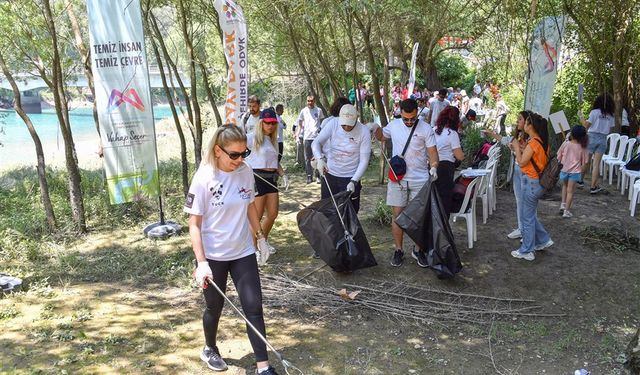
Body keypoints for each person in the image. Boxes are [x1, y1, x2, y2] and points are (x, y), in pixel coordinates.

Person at [185, 124, 279, 375]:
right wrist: (201, 262)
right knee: (214, 307)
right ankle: (209, 347)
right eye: (234, 155)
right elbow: (194, 224)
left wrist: (260, 236)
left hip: (242, 252)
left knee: (253, 306)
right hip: (213, 256)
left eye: (244, 154)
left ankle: (263, 366)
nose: (239, 160)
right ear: (218, 150)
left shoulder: (246, 171)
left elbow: (250, 206)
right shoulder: (204, 177)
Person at [372, 98, 439, 268]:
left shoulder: (425, 128)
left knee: (419, 217)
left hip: (420, 178)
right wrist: (373, 127)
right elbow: (381, 137)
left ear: (417, 113)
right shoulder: (394, 125)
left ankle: (418, 250)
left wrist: (434, 167)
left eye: (413, 118)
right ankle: (398, 250)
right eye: (406, 119)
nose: (409, 122)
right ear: (400, 113)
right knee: (398, 215)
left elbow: (432, 152)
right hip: (398, 177)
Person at [510, 113, 554, 261]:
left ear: (531, 126)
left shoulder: (534, 142)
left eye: (526, 122)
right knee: (529, 216)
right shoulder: (541, 141)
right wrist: (522, 147)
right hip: (536, 183)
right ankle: (542, 240)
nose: (524, 125)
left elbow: (521, 162)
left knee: (527, 217)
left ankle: (527, 250)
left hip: (531, 183)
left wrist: (516, 147)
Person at [312, 104, 371, 213]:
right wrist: (319, 159)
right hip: (330, 174)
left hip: (351, 177)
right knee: (328, 211)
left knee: (350, 212)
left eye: (350, 125)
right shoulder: (333, 124)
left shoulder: (364, 131)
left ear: (356, 119)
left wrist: (354, 181)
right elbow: (316, 143)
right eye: (343, 125)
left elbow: (364, 160)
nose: (347, 128)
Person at [246, 108, 289, 254]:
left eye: (273, 123)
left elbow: (275, 162)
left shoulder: (272, 140)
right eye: (267, 122)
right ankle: (252, 249)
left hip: (271, 179)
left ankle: (262, 242)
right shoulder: (252, 138)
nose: (270, 126)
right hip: (257, 178)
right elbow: (235, 148)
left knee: (272, 214)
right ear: (261, 122)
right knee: (256, 217)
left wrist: (283, 175)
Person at [484, 110, 531, 240]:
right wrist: (491, 133)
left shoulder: (532, 138)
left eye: (520, 119)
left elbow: (530, 153)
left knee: (528, 203)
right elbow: (505, 140)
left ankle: (528, 232)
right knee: (519, 200)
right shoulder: (518, 135)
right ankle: (521, 228)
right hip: (517, 169)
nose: (517, 121)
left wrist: (517, 148)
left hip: (527, 172)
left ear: (528, 121)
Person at [579, 93, 615, 193]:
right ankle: (593, 187)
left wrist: (581, 117)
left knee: (586, 161)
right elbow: (610, 129)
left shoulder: (594, 112)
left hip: (591, 137)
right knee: (596, 164)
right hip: (603, 139)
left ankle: (580, 181)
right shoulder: (611, 115)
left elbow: (586, 126)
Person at [433, 106, 464, 217]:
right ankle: (443, 228)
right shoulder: (452, 134)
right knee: (444, 199)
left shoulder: (433, 130)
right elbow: (459, 156)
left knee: (433, 198)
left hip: (432, 165)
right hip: (445, 167)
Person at [557, 125, 590, 218]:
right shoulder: (583, 147)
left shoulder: (566, 143)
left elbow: (558, 155)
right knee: (570, 191)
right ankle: (566, 211)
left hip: (564, 169)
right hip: (575, 172)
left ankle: (563, 204)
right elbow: (585, 162)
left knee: (564, 186)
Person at [296, 95, 325, 184]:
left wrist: (321, 132)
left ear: (314, 101)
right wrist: (297, 135)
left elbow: (322, 121)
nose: (310, 103)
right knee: (308, 158)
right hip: (307, 138)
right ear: (306, 101)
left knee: (317, 157)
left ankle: (318, 176)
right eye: (308, 101)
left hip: (316, 138)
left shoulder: (319, 110)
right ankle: (309, 176)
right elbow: (300, 124)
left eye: (311, 101)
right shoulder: (303, 111)